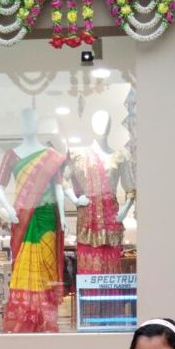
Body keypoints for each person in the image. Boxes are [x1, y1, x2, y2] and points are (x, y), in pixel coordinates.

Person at [0, 108, 67, 333]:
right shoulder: (11, 155)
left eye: (33, 120)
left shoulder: (51, 155)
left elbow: (58, 188)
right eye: (25, 120)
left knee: (46, 269)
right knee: (24, 270)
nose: (29, 124)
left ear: (38, 123)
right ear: (20, 123)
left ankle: (46, 323)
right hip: (23, 220)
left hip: (46, 220)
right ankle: (24, 323)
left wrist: (63, 215)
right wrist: (9, 209)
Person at [65, 109, 136, 276]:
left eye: (106, 121)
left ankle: (109, 294)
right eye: (97, 121)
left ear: (110, 126)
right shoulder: (78, 155)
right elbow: (62, 179)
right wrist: (75, 199)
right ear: (91, 125)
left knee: (110, 264)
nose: (102, 126)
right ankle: (90, 293)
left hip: (111, 217)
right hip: (87, 218)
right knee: (89, 263)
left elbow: (130, 189)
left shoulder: (120, 156)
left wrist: (124, 212)